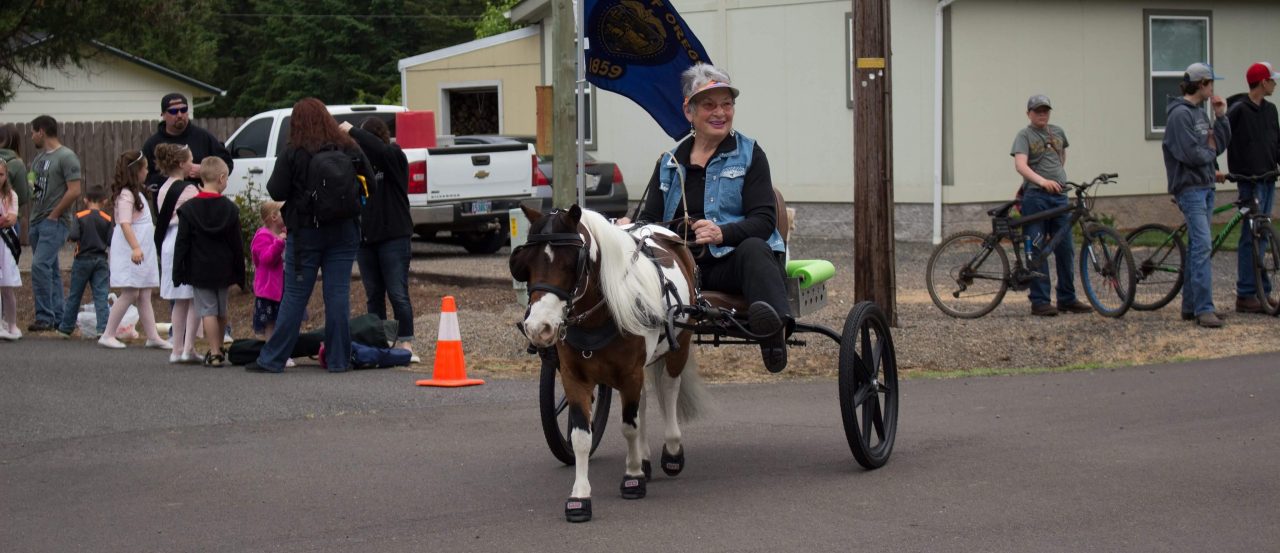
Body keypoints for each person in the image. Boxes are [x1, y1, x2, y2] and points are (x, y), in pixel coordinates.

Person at [620, 63, 790, 373]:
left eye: (727, 104)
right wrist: (627, 227)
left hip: (735, 263)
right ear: (689, 111)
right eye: (710, 104)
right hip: (685, 267)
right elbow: (649, 220)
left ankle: (773, 330)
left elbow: (765, 220)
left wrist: (721, 233)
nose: (720, 112)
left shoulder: (750, 154)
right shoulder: (669, 162)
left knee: (754, 248)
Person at [245, 98, 373, 374]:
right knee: (338, 294)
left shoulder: (295, 151)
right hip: (344, 230)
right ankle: (339, 360)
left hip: (305, 235)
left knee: (294, 295)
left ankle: (273, 358)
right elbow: (370, 183)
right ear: (327, 117)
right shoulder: (348, 146)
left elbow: (276, 191)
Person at [341, 117, 417, 362]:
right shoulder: (360, 165)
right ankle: (381, 340)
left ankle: (406, 342)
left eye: (363, 138)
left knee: (398, 293)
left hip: (394, 236)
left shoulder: (394, 157)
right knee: (374, 295)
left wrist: (352, 130)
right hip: (366, 240)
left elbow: (381, 149)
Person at [1010, 94, 1093, 317]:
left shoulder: (1057, 132)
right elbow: (1020, 165)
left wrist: (1056, 180)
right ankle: (1040, 301)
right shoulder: (1024, 135)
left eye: (1045, 110)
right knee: (1037, 248)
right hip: (1036, 197)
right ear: (1029, 113)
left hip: (1059, 197)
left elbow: (1061, 156)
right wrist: (1042, 181)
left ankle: (1067, 298)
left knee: (1065, 248)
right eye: (1037, 111)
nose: (1042, 114)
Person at [1163, 62, 1232, 328]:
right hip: (1190, 187)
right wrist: (1210, 153)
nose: (1213, 88)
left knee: (1197, 248)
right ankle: (1204, 309)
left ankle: (1191, 306)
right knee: (1203, 245)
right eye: (1211, 83)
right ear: (1201, 85)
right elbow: (1190, 153)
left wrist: (1221, 117)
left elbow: (1219, 144)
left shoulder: (1201, 114)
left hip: (1205, 185)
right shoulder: (1180, 115)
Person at [173, 158, 245, 367]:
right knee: (221, 310)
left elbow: (182, 242)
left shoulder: (189, 209)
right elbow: (237, 244)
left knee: (207, 311)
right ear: (222, 178)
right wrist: (240, 274)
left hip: (200, 268)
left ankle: (214, 352)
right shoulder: (230, 209)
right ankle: (219, 346)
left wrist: (178, 271)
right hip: (224, 267)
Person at [99, 150, 171, 349]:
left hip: (142, 249)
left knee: (144, 292)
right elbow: (124, 223)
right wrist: (136, 248)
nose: (148, 171)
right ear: (136, 171)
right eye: (145, 168)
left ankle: (152, 336)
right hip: (133, 250)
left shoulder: (136, 193)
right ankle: (108, 334)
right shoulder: (126, 195)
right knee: (130, 293)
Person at [1226, 61, 1280, 313]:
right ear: (1261, 82)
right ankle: (1246, 293)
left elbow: (1276, 143)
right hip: (1250, 182)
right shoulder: (1238, 110)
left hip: (1269, 179)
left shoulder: (1271, 111)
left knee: (1264, 236)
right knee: (1251, 237)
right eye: (1272, 79)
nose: (1275, 84)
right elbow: (1220, 138)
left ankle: (1262, 291)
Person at [27, 115, 82, 332]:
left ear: (41, 131)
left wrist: (54, 214)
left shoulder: (67, 156)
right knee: (50, 269)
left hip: (55, 221)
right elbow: (34, 182)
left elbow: (74, 190)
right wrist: (31, 182)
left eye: (33, 132)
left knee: (39, 265)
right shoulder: (39, 159)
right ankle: (60, 316)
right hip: (36, 220)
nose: (31, 136)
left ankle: (44, 317)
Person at [154, 143, 202, 363]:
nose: (193, 164)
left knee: (178, 300)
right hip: (186, 241)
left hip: (168, 242)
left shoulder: (163, 188)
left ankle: (176, 349)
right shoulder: (189, 190)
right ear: (182, 164)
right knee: (192, 298)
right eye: (191, 159)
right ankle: (188, 348)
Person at [141, 93, 233, 194]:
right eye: (173, 111)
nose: (179, 115)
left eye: (183, 110)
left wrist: (204, 171)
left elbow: (227, 164)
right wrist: (174, 176)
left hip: (201, 203)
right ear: (163, 115)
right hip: (167, 205)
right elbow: (143, 176)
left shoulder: (203, 137)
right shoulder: (153, 144)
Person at [55, 186, 113, 340]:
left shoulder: (80, 216)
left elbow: (74, 235)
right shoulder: (107, 219)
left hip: (82, 259)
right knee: (101, 295)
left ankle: (66, 328)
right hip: (101, 259)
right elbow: (110, 240)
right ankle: (103, 328)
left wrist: (70, 238)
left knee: (75, 295)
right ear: (104, 201)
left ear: (85, 200)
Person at [0, 161, 20, 340]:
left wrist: (6, 219)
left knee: (7, 287)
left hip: (5, 244)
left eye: (1, 175)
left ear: (6, 176)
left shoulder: (11, 195)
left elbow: (12, 219)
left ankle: (12, 323)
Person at [0, 125, 29, 239]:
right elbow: (22, 197)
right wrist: (31, 187)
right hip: (8, 220)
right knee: (8, 255)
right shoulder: (16, 164)